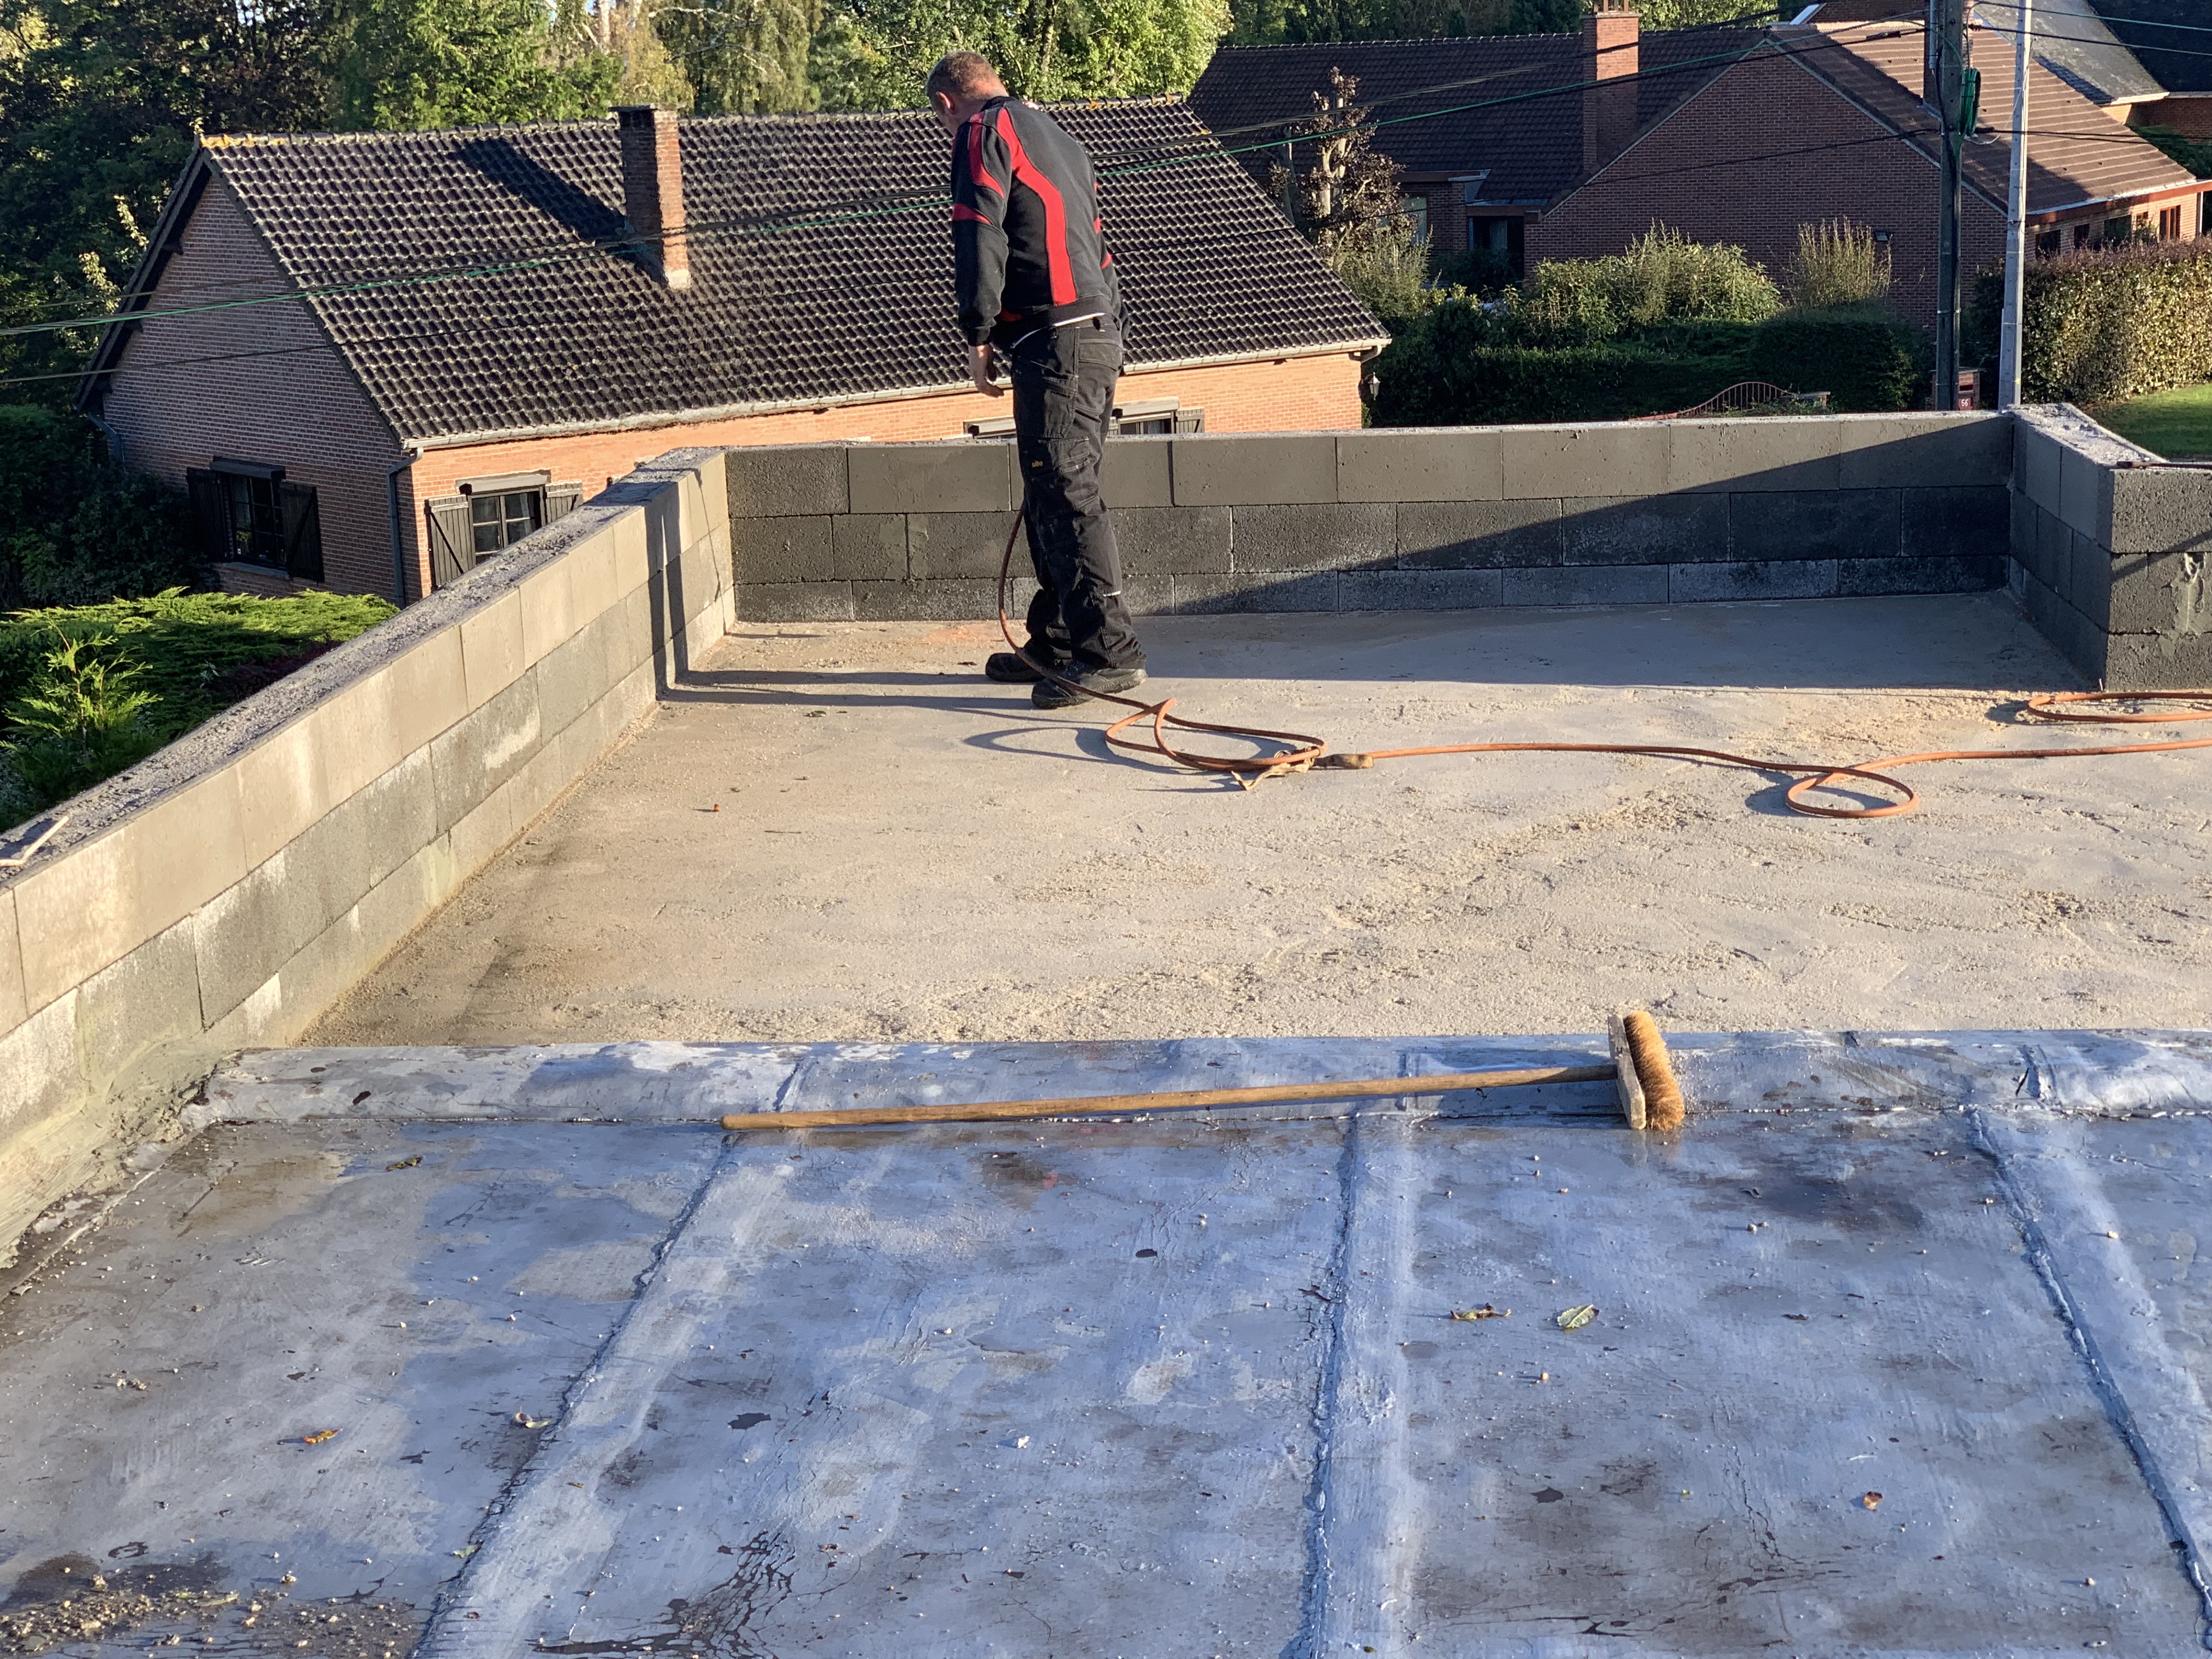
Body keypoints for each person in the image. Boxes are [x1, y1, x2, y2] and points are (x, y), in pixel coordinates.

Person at [927, 50, 1147, 710]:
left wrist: (977, 333)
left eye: (941, 121)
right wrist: (1113, 338)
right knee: (1052, 491)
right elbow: (1101, 249)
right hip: (1093, 332)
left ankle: (1109, 654)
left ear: (947, 104)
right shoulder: (1060, 138)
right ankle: (1054, 642)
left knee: (1067, 493)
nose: (947, 132)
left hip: (1056, 338)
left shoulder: (982, 131)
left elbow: (979, 232)